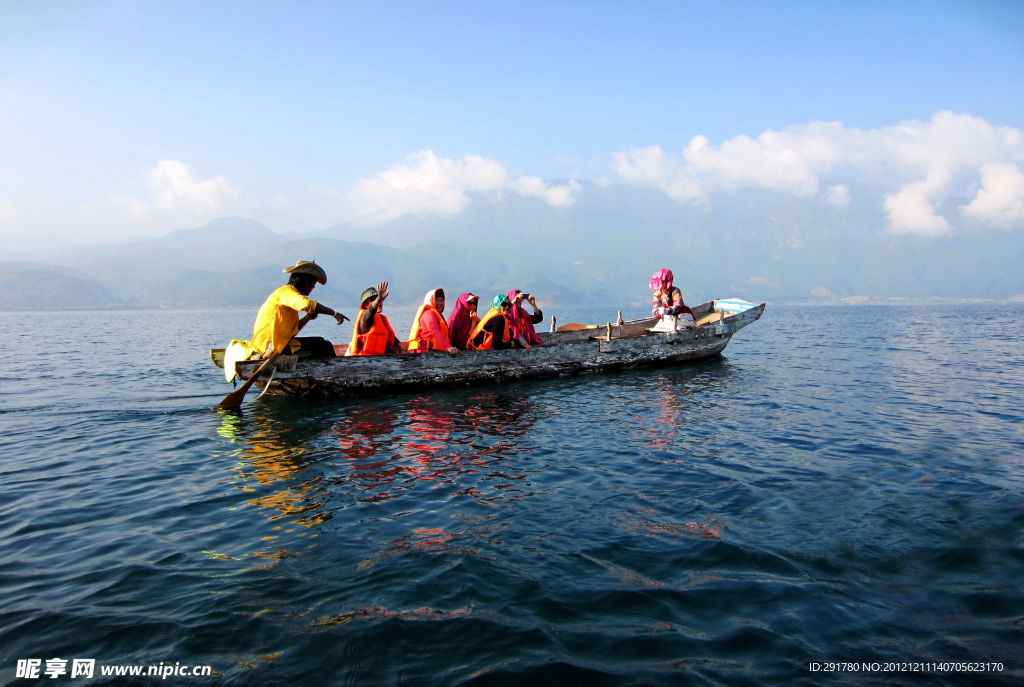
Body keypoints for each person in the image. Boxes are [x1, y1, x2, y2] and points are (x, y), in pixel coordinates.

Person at [251, 260, 349, 359]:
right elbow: (307, 304)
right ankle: (332, 372)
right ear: (306, 283)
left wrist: (308, 317)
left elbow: (293, 331)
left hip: (281, 343)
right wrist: (334, 313)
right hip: (270, 347)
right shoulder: (286, 292)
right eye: (313, 283)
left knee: (320, 340)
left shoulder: (289, 298)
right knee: (325, 346)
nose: (314, 287)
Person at [347, 281, 404, 356]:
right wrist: (379, 298)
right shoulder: (365, 318)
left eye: (380, 298)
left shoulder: (381, 319)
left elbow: (392, 337)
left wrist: (403, 349)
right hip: (367, 361)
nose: (380, 301)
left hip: (383, 360)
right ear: (366, 304)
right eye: (374, 299)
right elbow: (370, 311)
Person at [408, 288, 458, 356]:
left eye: (442, 300)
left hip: (432, 351)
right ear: (430, 300)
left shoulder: (438, 315)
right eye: (436, 300)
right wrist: (448, 347)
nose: (440, 303)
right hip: (424, 352)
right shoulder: (429, 313)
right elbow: (435, 331)